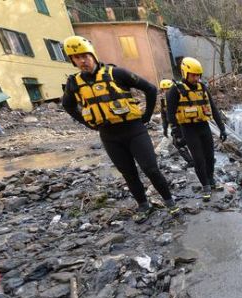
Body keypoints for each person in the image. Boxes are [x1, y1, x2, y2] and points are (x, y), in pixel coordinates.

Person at [61, 36, 179, 222]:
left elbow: (149, 88)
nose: (82, 60)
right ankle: (143, 205)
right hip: (109, 135)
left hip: (134, 130)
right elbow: (67, 105)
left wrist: (146, 116)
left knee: (151, 169)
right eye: (77, 57)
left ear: (92, 55)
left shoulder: (117, 73)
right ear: (72, 60)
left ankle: (170, 202)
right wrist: (87, 122)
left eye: (85, 55)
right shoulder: (74, 83)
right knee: (129, 173)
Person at [166, 57, 227, 202]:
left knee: (209, 157)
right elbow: (170, 114)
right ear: (185, 73)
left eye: (198, 75)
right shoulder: (175, 90)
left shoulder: (202, 87)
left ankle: (211, 180)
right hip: (188, 129)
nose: (196, 78)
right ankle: (205, 185)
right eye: (193, 75)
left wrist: (222, 128)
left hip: (203, 126)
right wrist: (177, 134)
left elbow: (212, 107)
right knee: (199, 159)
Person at [159, 79, 193, 166]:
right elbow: (164, 116)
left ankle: (195, 160)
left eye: (167, 89)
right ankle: (191, 161)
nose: (165, 92)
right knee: (178, 142)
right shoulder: (163, 101)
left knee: (188, 141)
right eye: (164, 90)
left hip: (183, 123)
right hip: (175, 126)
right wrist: (165, 128)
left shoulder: (179, 97)